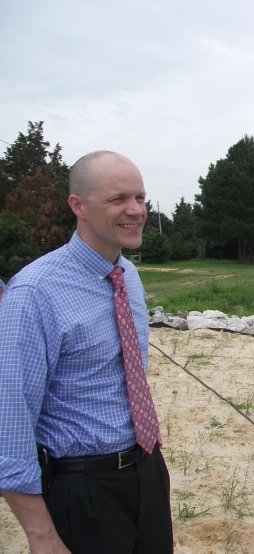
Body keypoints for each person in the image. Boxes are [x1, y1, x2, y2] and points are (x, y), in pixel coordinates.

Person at [0, 151, 173, 554]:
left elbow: (127, 372)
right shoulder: (33, 294)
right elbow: (9, 422)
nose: (135, 211)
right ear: (78, 206)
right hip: (83, 491)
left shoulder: (127, 275)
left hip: (147, 470)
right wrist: (40, 535)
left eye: (141, 197)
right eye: (118, 200)